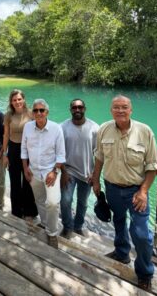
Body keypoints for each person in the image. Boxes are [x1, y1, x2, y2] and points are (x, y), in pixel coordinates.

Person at [92, 95, 157, 291]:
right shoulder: (104, 129)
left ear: (131, 110)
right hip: (112, 187)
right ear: (111, 110)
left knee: (141, 234)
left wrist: (144, 191)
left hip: (136, 191)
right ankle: (122, 252)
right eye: (116, 107)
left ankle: (145, 272)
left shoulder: (144, 131)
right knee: (119, 221)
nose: (120, 110)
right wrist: (96, 180)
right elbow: (99, 157)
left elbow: (153, 166)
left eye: (124, 107)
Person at [21, 99, 65, 249]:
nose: (38, 113)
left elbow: (61, 154)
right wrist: (25, 168)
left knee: (52, 203)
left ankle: (52, 233)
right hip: (33, 171)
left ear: (47, 112)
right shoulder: (27, 127)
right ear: (32, 113)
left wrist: (54, 172)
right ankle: (45, 224)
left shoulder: (56, 128)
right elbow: (24, 149)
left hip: (50, 172)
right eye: (35, 110)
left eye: (41, 110)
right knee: (39, 200)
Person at [60, 99, 99, 239]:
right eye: (74, 107)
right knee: (65, 200)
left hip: (87, 173)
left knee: (82, 203)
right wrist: (63, 172)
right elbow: (58, 152)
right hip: (68, 170)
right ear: (70, 109)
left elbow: (100, 154)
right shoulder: (62, 127)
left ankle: (78, 227)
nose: (77, 110)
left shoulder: (95, 128)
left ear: (84, 109)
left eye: (80, 107)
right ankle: (67, 227)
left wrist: (95, 175)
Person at [3, 89, 38, 220]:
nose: (17, 102)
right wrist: (4, 154)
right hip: (13, 149)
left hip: (29, 151)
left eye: (19, 99)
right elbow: (6, 135)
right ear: (11, 102)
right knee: (15, 181)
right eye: (14, 100)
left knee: (29, 181)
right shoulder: (8, 115)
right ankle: (17, 212)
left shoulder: (31, 114)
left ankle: (29, 211)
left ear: (23, 99)